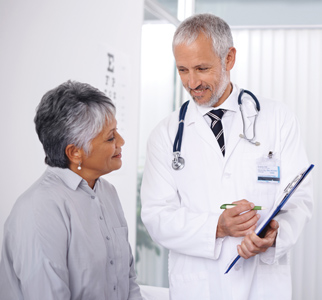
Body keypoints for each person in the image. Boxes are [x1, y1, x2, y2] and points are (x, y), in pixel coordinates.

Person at [140, 13, 313, 300]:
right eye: (182, 70)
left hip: (263, 285)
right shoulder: (165, 135)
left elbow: (299, 199)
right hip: (197, 287)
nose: (192, 82)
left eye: (202, 68)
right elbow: (157, 216)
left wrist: (274, 235)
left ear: (229, 58)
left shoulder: (278, 119)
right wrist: (216, 227)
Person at [0, 81, 143, 300]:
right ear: (75, 152)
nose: (121, 142)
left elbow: (128, 280)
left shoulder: (108, 193)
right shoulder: (38, 209)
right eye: (111, 137)